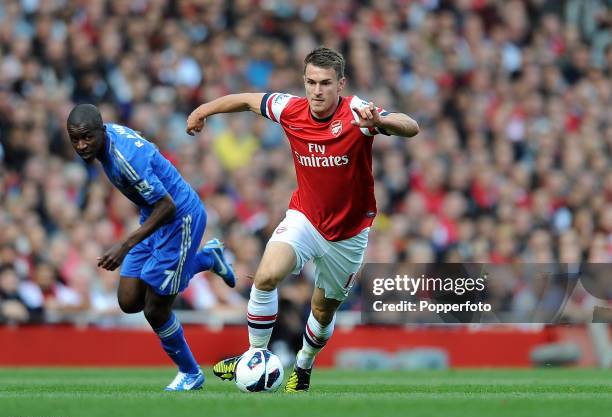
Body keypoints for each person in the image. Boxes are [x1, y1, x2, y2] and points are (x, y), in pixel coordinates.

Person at [186, 47, 419, 392]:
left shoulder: (357, 112)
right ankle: (255, 355)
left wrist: (380, 122)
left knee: (322, 313)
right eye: (311, 82)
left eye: (325, 83)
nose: (317, 90)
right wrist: (203, 110)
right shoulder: (291, 109)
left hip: (348, 234)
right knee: (265, 276)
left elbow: (410, 126)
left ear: (340, 84)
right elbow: (249, 100)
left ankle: (304, 365)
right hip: (305, 218)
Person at [66, 104, 236, 391]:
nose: (81, 145)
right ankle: (207, 258)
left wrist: (124, 244)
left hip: (179, 219)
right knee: (129, 300)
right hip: (152, 216)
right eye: (75, 138)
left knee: (155, 310)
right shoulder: (113, 137)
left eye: (87, 137)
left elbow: (167, 206)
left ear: (101, 131)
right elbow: (146, 144)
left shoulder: (124, 160)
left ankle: (190, 373)